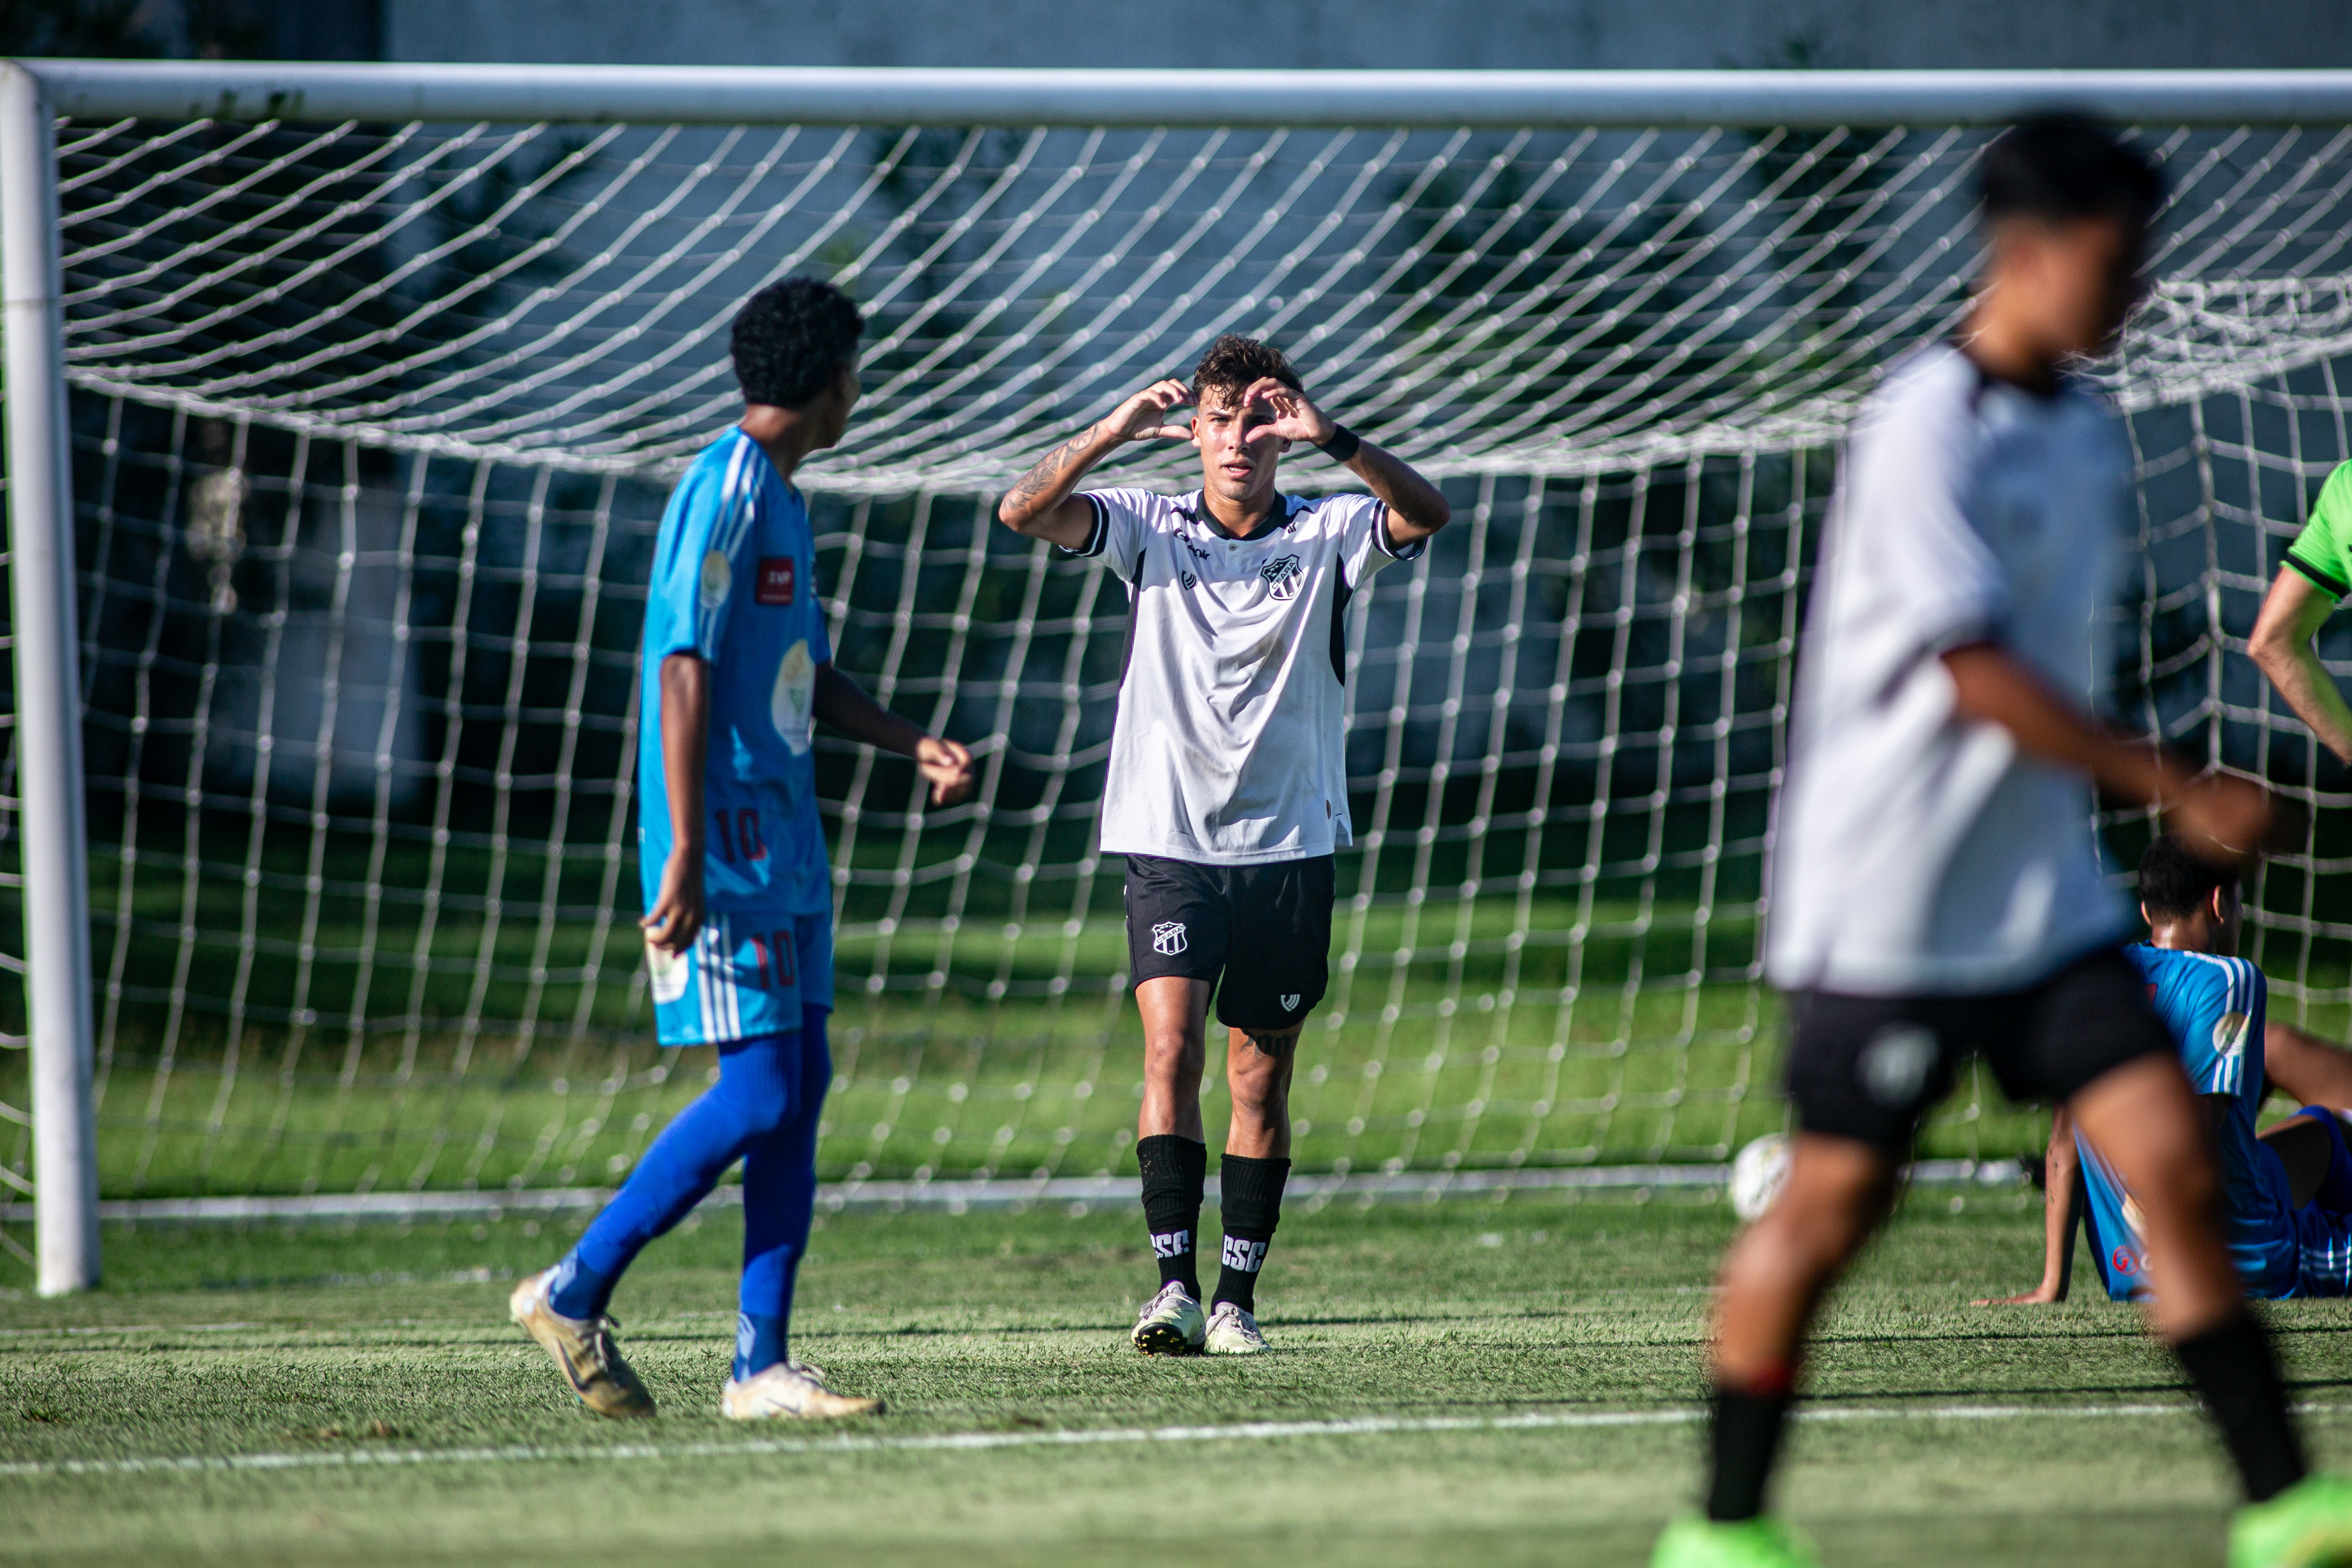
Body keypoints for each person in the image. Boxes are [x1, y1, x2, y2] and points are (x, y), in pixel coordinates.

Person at [1651, 115, 2352, 1568]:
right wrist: (2171, 785)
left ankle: (2285, 1506)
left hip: (2037, 899)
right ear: (2025, 253)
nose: (2136, 292)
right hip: (1888, 903)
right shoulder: (1922, 424)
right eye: (2116, 260)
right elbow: (1963, 666)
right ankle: (1721, 1530)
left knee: (2173, 1162)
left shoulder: (2084, 433)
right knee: (1833, 1209)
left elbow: (2050, 673)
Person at [508, 278, 974, 1421]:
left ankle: (759, 1364)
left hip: (787, 840)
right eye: (857, 373)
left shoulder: (783, 496)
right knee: (759, 1090)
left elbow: (799, 674)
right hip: (717, 845)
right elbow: (681, 665)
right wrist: (676, 853)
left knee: (800, 1088)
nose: (858, 393)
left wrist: (909, 739)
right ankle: (572, 1288)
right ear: (831, 382)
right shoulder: (720, 490)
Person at [995, 334, 1450, 1356]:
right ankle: (1173, 1289)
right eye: (1218, 420)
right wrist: (1111, 431)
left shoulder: (1330, 529)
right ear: (1191, 432)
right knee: (1171, 1048)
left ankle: (1239, 1297)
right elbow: (1021, 511)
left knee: (1258, 1079)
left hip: (1289, 844)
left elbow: (1426, 513)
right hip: (1167, 839)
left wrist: (1333, 435)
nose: (1238, 438)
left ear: (1281, 430)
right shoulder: (1143, 524)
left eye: (1258, 418)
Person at [1977, 836, 2352, 1308]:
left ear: (2145, 909)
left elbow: (2062, 1139)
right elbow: (2187, 1143)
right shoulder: (2228, 979)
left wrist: (2052, 1285)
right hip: (2244, 1261)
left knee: (2325, 1129)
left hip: (2130, 1274)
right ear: (2219, 903)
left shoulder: (2103, 981)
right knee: (2327, 1132)